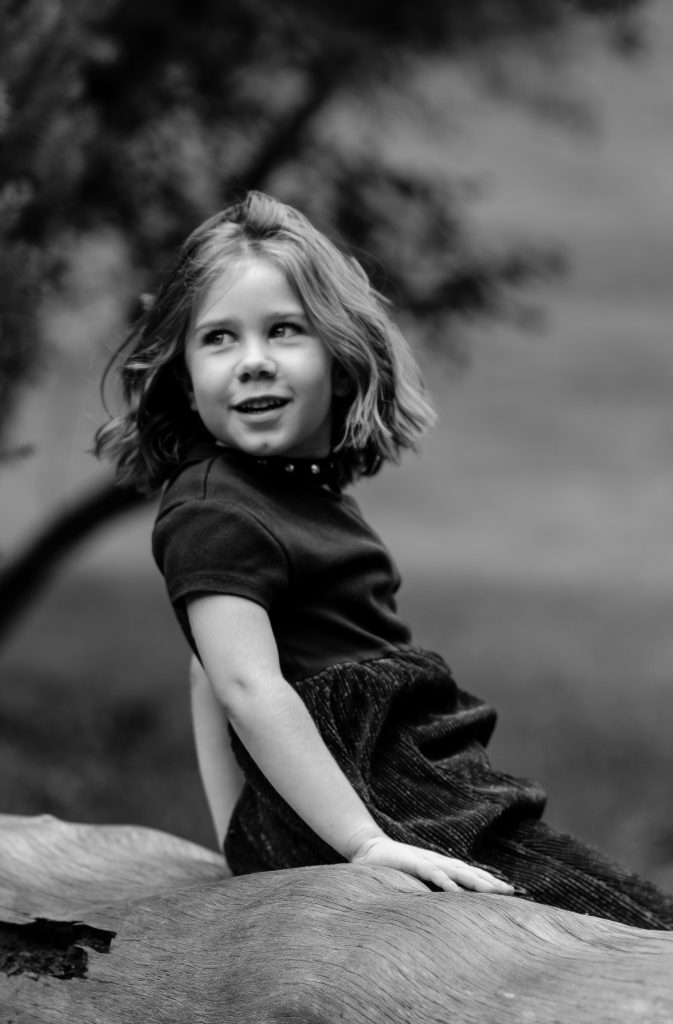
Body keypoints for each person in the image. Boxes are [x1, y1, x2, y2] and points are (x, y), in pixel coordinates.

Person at [95, 191, 673, 928]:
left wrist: (238, 833)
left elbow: (205, 670)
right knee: (618, 921)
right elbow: (244, 684)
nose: (252, 362)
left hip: (401, 781)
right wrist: (359, 844)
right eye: (218, 339)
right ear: (182, 375)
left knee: (621, 911)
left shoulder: (296, 495)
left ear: (340, 362)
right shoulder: (214, 508)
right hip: (374, 797)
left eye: (282, 331)